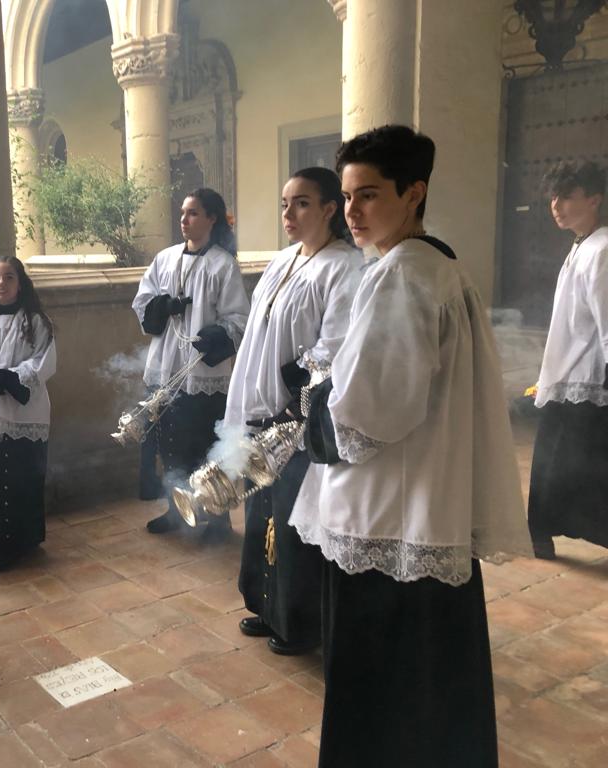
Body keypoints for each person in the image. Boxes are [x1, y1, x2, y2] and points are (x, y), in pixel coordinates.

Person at [288, 125, 531, 768]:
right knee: (431, 681)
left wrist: (316, 408)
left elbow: (371, 413)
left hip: (387, 519)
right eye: (345, 197)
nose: (352, 212)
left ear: (415, 191)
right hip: (425, 509)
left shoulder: (402, 273)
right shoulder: (437, 263)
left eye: (368, 195)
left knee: (381, 687)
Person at [225, 167, 362, 655]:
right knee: (262, 509)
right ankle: (267, 607)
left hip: (299, 413)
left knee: (291, 518)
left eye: (302, 203)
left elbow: (337, 342)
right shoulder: (283, 260)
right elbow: (259, 337)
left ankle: (298, 621)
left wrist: (294, 392)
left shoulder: (345, 266)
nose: (289, 213)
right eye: (285, 203)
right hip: (264, 410)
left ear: (329, 209)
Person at [132, 188, 250, 540]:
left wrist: (215, 335)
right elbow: (142, 303)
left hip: (204, 373)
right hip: (167, 368)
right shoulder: (164, 259)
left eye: (194, 213)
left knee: (206, 451)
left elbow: (239, 319)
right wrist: (162, 306)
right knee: (171, 447)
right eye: (183, 213)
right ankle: (176, 511)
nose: (184, 220)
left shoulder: (222, 265)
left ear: (212, 218)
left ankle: (216, 520)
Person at [527, 161, 608, 559]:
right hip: (565, 372)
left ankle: (545, 531)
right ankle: (539, 532)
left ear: (594, 199)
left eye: (567, 196)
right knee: (554, 460)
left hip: (589, 377)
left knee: (584, 463)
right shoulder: (582, 243)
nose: (556, 205)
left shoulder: (603, 247)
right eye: (553, 198)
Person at [0, 256, 56, 571]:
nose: (1, 283)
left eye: (8, 277)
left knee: (23, 478)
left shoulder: (36, 321)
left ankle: (22, 539)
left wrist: (9, 377)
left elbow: (43, 361)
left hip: (24, 409)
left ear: (21, 283)